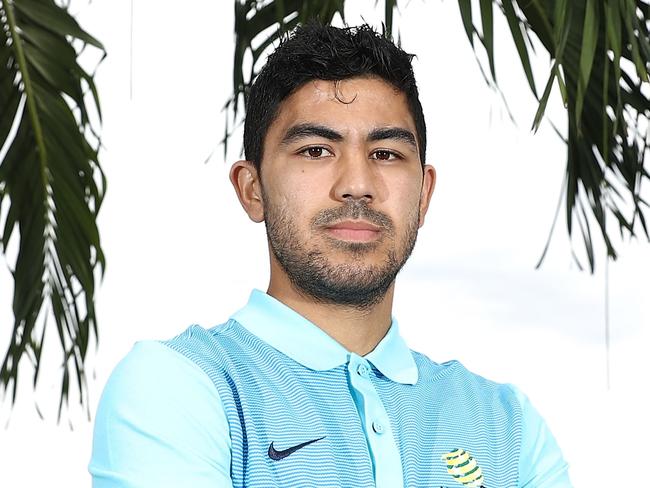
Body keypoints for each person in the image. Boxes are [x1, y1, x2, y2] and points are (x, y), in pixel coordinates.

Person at [89, 22, 572, 488]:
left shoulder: (508, 426)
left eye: (385, 154)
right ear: (252, 189)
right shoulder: (177, 387)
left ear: (423, 195)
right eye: (317, 150)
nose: (357, 185)